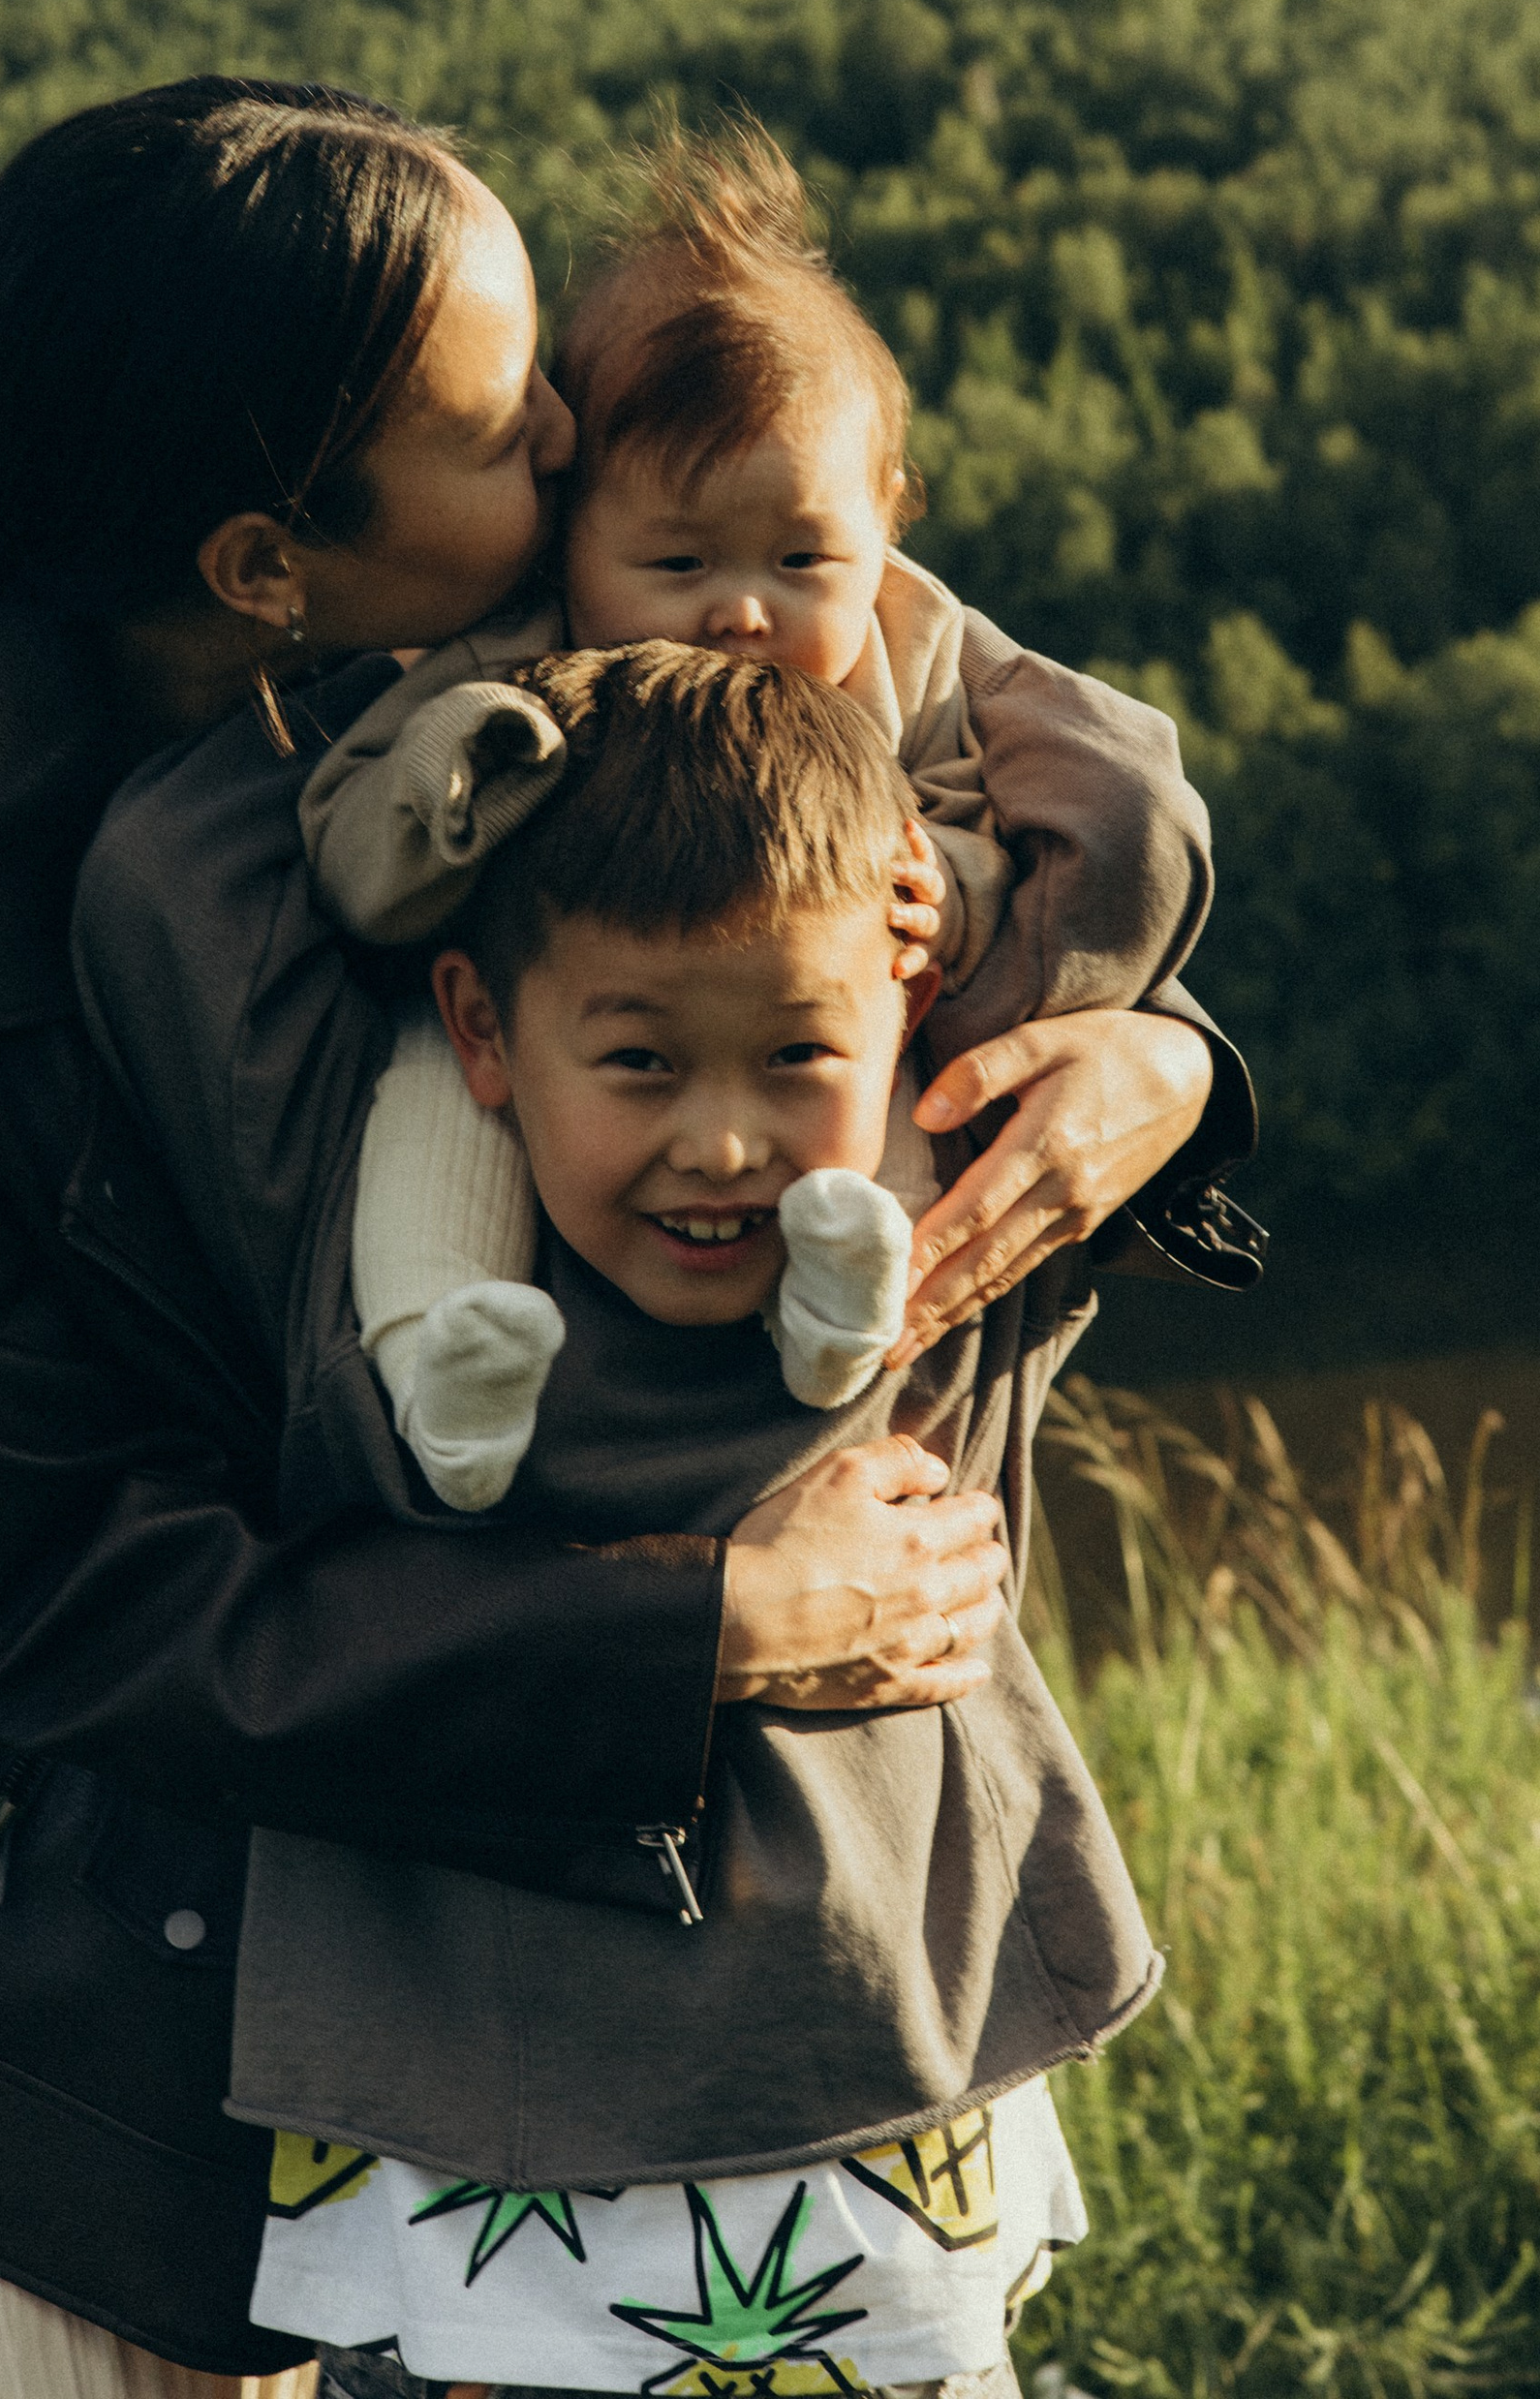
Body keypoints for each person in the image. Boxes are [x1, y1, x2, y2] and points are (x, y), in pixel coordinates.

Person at [0, 77, 1256, 2399]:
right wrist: (699, 1633)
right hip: (37, 2050)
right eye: (519, 432)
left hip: (465, 1953)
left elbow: (901, 699)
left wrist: (1151, 1056)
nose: (592, 448)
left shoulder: (501, 606)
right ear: (268, 558)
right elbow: (54, 1598)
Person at [231, 643, 1160, 2399]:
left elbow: (1126, 827)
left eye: (799, 1055)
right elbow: (164, 887)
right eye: (643, 1065)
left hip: (872, 2124)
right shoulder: (372, 1328)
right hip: (489, 2177)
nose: (727, 1146)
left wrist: (1162, 1050)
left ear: (910, 1021)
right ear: (481, 1035)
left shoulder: (959, 1264)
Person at [260, 119, 1229, 1506]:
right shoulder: (520, 657)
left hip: (833, 1052)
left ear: (884, 526)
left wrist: (966, 893)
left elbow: (1098, 810)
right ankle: (445, 1373)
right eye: (675, 559)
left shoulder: (907, 653)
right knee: (437, 1097)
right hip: (546, 1055)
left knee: (870, 1076)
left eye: (802, 556)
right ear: (570, 524)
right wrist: (472, 770)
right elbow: (359, 839)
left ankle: (846, 1307)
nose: (742, 610)